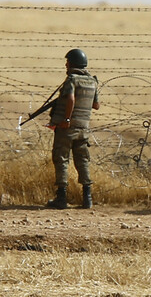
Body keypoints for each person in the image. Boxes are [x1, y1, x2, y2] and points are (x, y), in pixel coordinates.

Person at [46, 48, 100, 209]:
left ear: (73, 64)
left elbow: (70, 98)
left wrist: (67, 118)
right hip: (83, 128)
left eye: (68, 62)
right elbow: (96, 105)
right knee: (82, 160)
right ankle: (87, 198)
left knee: (61, 158)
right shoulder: (92, 81)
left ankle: (61, 198)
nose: (66, 64)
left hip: (67, 128)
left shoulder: (72, 80)